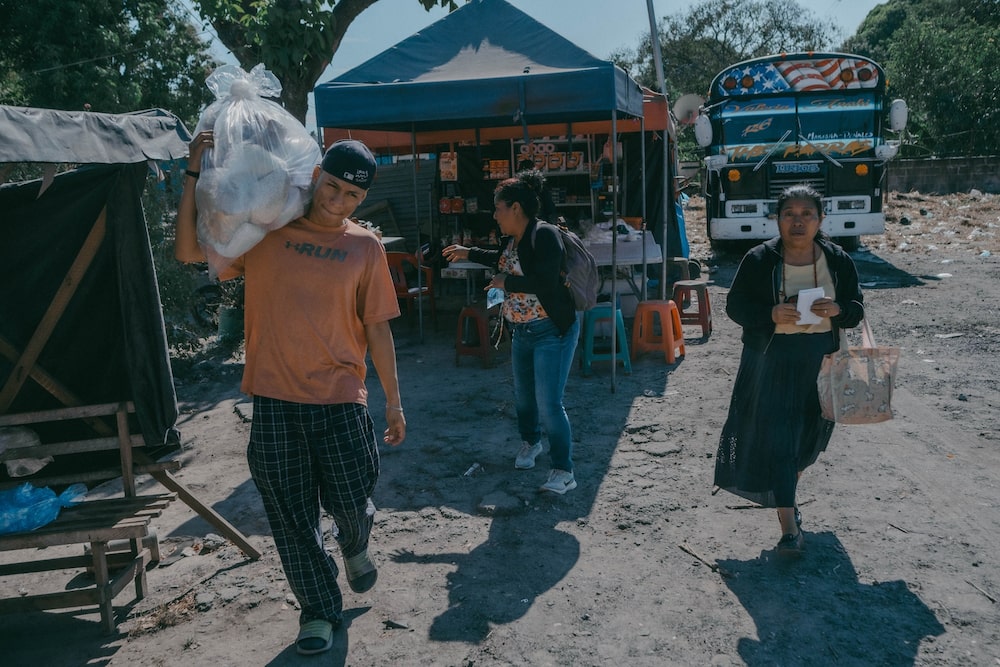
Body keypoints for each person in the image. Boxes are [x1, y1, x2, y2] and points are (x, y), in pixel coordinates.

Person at [175, 135, 405, 655]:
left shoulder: (364, 247)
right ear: (316, 175)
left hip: (341, 396)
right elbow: (189, 251)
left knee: (352, 497)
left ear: (363, 199)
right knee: (292, 516)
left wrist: (393, 401)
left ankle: (354, 541)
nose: (338, 201)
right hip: (274, 399)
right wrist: (193, 173)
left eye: (352, 195)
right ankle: (319, 609)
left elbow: (378, 328)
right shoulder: (266, 231)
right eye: (332, 186)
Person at [713, 184, 864, 556]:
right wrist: (770, 313)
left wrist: (839, 310)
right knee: (781, 441)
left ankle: (788, 493)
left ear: (821, 219)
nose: (798, 222)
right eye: (789, 214)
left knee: (808, 442)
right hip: (771, 363)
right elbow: (734, 306)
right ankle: (789, 530)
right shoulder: (759, 259)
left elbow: (857, 308)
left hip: (821, 364)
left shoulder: (838, 260)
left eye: (807, 214)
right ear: (776, 219)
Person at [443, 170, 579, 495]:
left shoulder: (544, 234)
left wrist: (508, 282)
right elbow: (502, 260)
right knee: (524, 399)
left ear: (515, 208)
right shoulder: (512, 239)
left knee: (550, 404)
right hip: (522, 332)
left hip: (552, 332)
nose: (494, 215)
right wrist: (468, 252)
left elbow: (546, 281)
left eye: (498, 208)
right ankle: (531, 443)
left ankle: (564, 471)